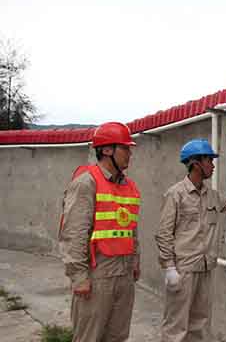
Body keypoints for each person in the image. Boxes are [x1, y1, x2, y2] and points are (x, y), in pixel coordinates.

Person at [155, 138, 226, 342]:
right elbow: (164, 233)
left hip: (204, 269)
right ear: (195, 163)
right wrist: (169, 268)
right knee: (176, 326)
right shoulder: (176, 194)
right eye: (209, 160)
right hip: (183, 270)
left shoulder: (211, 196)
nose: (212, 165)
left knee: (200, 324)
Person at [58, 122, 141, 342]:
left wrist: (135, 261)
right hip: (97, 277)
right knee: (90, 337)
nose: (130, 153)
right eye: (125, 148)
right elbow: (74, 233)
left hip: (124, 275)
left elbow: (131, 229)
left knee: (117, 336)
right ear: (106, 150)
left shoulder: (129, 186)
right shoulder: (86, 183)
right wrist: (79, 277)